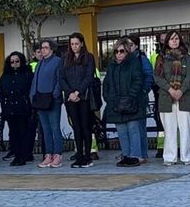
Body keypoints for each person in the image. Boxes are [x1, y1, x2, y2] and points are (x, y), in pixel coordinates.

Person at [153, 31, 190, 165]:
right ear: (167, 41)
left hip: (185, 97)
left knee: (185, 129)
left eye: (177, 38)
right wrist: (170, 89)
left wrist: (180, 90)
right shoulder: (160, 58)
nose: (174, 41)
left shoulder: (188, 57)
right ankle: (169, 157)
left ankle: (187, 157)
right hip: (167, 98)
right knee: (169, 129)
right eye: (172, 39)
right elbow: (157, 77)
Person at [102, 40, 149, 167]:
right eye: (116, 51)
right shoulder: (112, 66)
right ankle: (126, 155)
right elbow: (106, 84)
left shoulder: (134, 63)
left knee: (133, 129)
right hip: (116, 105)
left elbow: (138, 80)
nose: (118, 54)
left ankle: (135, 156)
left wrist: (131, 97)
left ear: (127, 51)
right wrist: (108, 98)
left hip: (132, 103)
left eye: (121, 51)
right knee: (121, 131)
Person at [60, 33, 98, 167]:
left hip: (84, 97)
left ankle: (87, 157)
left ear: (82, 43)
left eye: (76, 43)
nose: (74, 46)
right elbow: (61, 78)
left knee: (85, 127)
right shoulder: (65, 58)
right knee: (76, 127)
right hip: (70, 99)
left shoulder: (88, 57)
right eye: (72, 44)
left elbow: (89, 77)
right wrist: (70, 93)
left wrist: (77, 92)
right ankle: (79, 156)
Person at [31, 39, 66, 168]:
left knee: (54, 127)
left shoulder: (57, 61)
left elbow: (59, 79)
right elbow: (35, 80)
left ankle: (58, 155)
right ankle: (48, 154)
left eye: (46, 47)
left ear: (52, 49)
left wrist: (55, 93)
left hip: (53, 100)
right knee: (45, 129)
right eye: (42, 48)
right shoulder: (40, 63)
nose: (43, 50)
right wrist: (32, 95)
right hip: (40, 100)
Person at [0, 52, 36, 166]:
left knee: (24, 132)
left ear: (21, 61)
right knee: (13, 133)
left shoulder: (28, 74)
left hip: (23, 108)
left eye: (17, 61)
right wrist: (3, 101)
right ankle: (16, 155)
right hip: (9, 109)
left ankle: (24, 156)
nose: (14, 64)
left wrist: (29, 102)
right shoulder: (6, 75)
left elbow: (31, 90)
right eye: (12, 62)